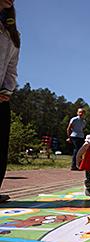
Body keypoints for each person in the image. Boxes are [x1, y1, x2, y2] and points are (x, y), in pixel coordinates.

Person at [0, 0, 20, 203]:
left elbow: (12, 65)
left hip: (2, 96)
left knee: (1, 145)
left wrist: (7, 90)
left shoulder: (11, 31)